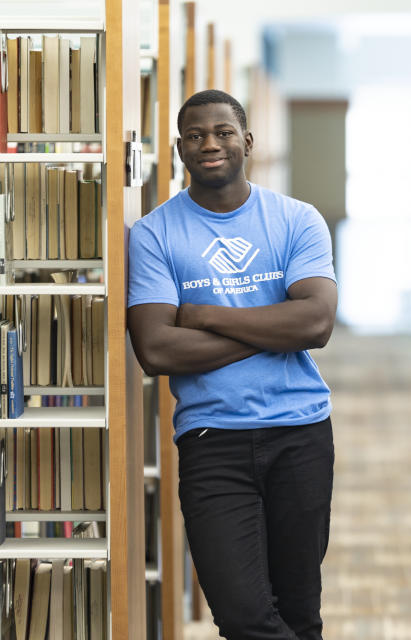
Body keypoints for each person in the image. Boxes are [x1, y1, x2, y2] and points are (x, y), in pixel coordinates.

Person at [127, 89, 337, 640]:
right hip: (210, 439)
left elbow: (316, 324)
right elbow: (156, 351)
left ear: (247, 140)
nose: (209, 144)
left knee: (298, 610)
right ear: (179, 149)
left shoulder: (297, 220)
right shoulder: (153, 234)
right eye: (195, 136)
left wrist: (204, 316)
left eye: (222, 132)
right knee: (242, 615)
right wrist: (272, 326)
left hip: (300, 434)